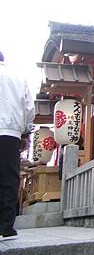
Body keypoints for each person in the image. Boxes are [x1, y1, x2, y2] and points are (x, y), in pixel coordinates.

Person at [0, 50, 35, 241]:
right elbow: (29, 108)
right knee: (8, 178)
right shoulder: (17, 78)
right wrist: (26, 132)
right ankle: (5, 225)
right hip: (10, 133)